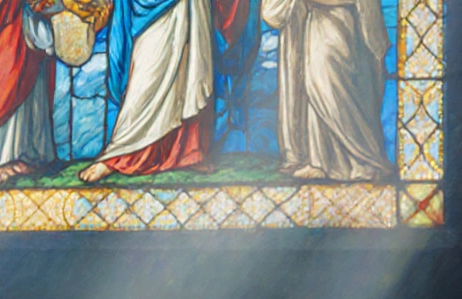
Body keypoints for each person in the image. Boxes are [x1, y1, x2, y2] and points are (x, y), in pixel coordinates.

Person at [78, 0, 250, 182]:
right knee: (146, 80)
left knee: (190, 76)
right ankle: (121, 155)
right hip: (149, 11)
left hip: (191, 8)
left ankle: (189, 152)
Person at [263, 0, 393, 181]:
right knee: (312, 83)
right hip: (312, 24)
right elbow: (272, 12)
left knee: (329, 86)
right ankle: (319, 161)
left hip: (341, 23)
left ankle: (362, 158)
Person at [0, 0, 62, 186]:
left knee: (34, 91)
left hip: (32, 27)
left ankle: (29, 155)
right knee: (4, 88)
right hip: (9, 28)